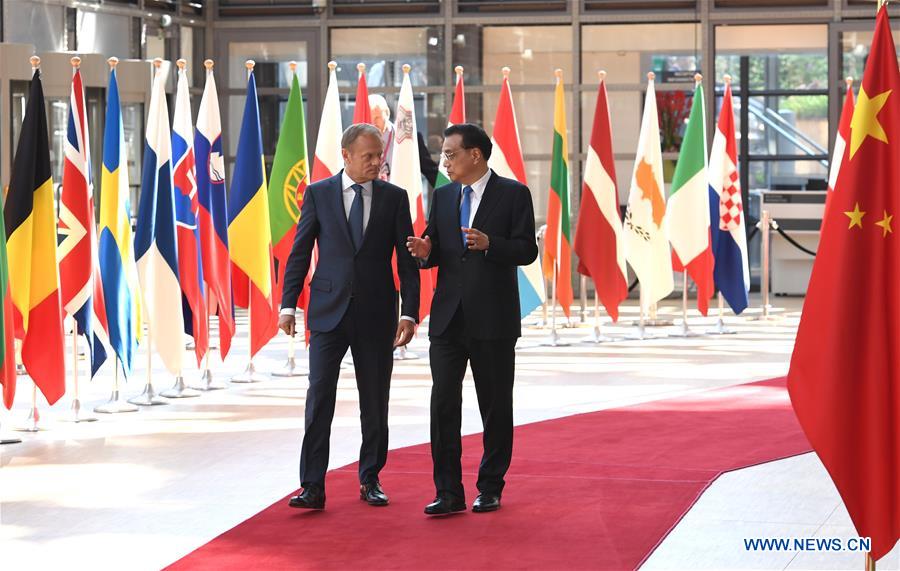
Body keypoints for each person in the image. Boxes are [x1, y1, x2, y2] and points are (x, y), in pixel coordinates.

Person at [279, 123, 420, 510]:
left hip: (377, 314)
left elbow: (407, 262)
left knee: (374, 400)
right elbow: (300, 251)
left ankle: (370, 478)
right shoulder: (319, 194)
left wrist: (409, 312)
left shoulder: (394, 198)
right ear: (346, 156)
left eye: (379, 155)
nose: (377, 162)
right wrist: (288, 303)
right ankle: (312, 486)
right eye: (369, 156)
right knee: (319, 398)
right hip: (327, 313)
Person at [406, 123, 538, 515]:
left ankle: (490, 485)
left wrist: (491, 244)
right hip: (447, 319)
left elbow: (526, 250)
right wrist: (424, 250)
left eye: (450, 154)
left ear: (474, 155)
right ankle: (447, 492)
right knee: (443, 404)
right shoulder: (444, 197)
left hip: (493, 319)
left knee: (494, 406)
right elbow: (436, 247)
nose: (444, 161)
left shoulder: (514, 194)